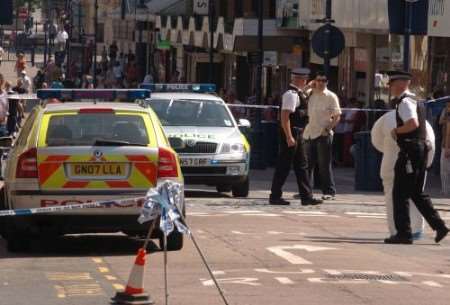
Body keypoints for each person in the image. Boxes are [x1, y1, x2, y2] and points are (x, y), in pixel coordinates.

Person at [385, 70, 449, 244]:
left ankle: (404, 233)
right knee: (415, 193)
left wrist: (396, 130)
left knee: (399, 193)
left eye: (391, 84)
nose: (389, 87)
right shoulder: (414, 100)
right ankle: (439, 226)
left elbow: (412, 123)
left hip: (410, 153)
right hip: (418, 151)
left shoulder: (405, 102)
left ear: (400, 84)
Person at [371, 107, 439, 240]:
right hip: (417, 164)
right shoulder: (424, 123)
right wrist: (427, 164)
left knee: (393, 197)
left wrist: (386, 149)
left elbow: (376, 140)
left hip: (393, 164)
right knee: (415, 195)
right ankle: (417, 229)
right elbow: (431, 145)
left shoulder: (386, 119)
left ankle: (397, 230)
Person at [269, 68, 322, 206]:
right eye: (303, 79)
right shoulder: (291, 94)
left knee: (302, 166)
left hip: (298, 133)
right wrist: (289, 136)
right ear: (297, 79)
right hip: (292, 133)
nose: (305, 81)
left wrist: (309, 86)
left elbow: (303, 94)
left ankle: (306, 197)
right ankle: (275, 196)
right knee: (284, 165)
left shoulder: (298, 93)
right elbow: (285, 117)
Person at [303, 71, 342, 200]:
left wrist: (328, 128)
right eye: (318, 80)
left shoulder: (331, 96)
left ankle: (329, 191)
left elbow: (337, 116)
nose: (320, 83)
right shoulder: (311, 93)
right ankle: (306, 190)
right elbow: (299, 95)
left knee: (324, 164)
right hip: (309, 132)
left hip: (323, 133)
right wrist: (308, 86)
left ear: (327, 82)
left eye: (323, 81)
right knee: (307, 164)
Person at [439, 104, 450, 195]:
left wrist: (446, 148)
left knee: (444, 170)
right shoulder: (446, 114)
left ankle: (446, 190)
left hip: (447, 146)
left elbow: (448, 134)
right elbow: (440, 122)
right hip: (446, 145)